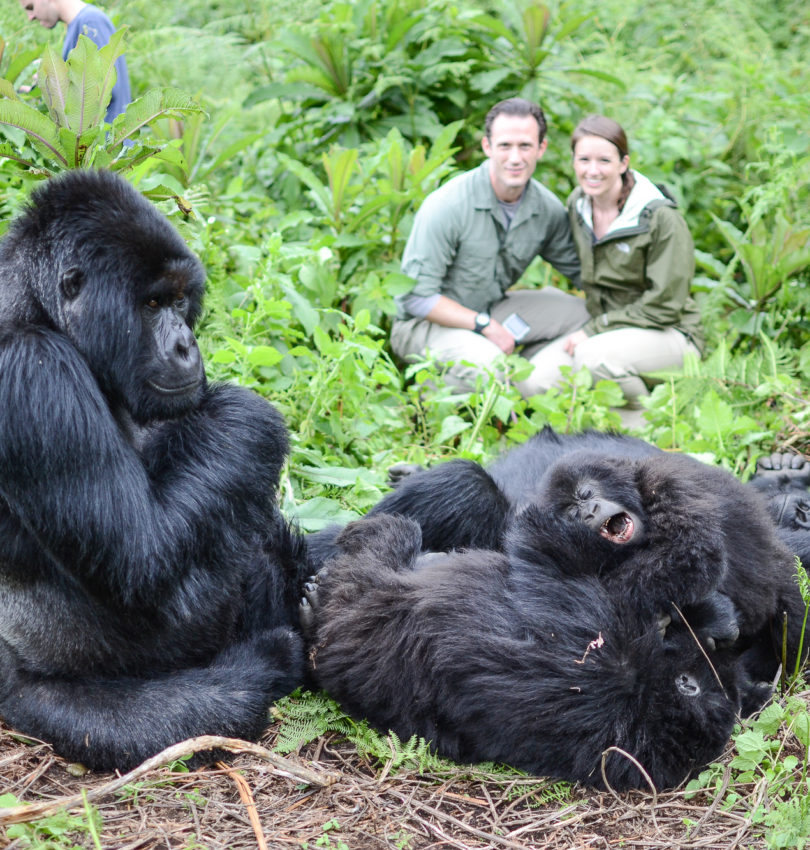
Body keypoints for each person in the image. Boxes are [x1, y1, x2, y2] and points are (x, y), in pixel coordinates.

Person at [391, 98, 588, 393]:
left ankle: (530, 383)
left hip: (491, 309)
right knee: (491, 366)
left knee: (585, 313)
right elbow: (416, 298)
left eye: (525, 146)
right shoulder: (448, 204)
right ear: (487, 146)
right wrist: (484, 325)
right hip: (426, 325)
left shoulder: (546, 208)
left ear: (541, 149)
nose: (515, 157)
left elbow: (584, 272)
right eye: (505, 145)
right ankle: (428, 391)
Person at [523, 115, 703, 411]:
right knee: (537, 381)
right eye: (584, 160)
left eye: (604, 160)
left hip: (670, 333)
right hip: (607, 328)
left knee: (594, 359)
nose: (593, 170)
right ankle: (597, 434)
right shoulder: (578, 205)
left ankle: (649, 426)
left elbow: (664, 306)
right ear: (573, 163)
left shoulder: (659, 218)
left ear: (623, 163)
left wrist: (595, 328)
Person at [19, 0, 131, 123]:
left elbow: (104, 88)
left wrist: (55, 83)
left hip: (110, 138)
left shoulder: (90, 22)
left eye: (31, 7)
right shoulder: (79, 24)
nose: (30, 17)